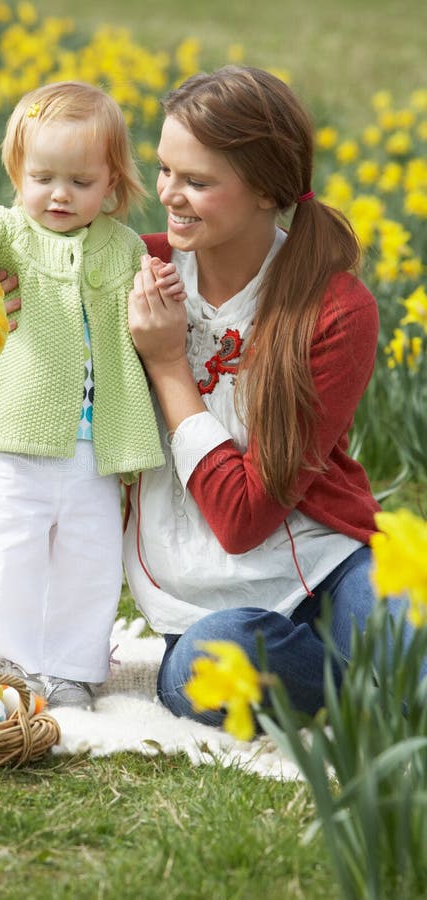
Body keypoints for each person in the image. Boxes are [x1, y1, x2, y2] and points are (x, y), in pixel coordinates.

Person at [124, 64, 426, 726]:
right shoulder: (134, 272)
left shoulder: (334, 307)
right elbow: (32, 253)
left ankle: (361, 676)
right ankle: (355, 690)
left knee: (414, 647)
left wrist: (170, 366)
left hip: (330, 566)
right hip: (205, 604)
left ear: (266, 192)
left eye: (198, 182)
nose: (170, 194)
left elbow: (244, 519)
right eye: (166, 170)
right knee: (209, 662)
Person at [0, 81, 184, 708]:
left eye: (81, 181)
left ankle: (70, 667)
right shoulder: (9, 232)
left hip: (95, 445)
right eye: (42, 177)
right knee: (2, 543)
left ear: (113, 186)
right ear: (18, 175)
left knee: (88, 560)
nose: (60, 195)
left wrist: (160, 287)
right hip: (13, 432)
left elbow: (143, 308)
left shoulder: (122, 247)